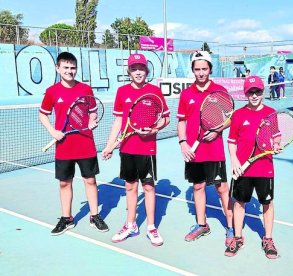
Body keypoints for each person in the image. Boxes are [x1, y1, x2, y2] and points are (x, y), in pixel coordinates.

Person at [101, 53, 170, 246]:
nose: (138, 72)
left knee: (148, 187)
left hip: (147, 149)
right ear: (129, 71)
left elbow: (166, 118)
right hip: (127, 148)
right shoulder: (122, 91)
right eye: (134, 69)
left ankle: (151, 227)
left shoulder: (155, 91)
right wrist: (109, 145)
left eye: (141, 68)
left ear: (146, 70)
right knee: (130, 187)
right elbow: (118, 121)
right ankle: (130, 224)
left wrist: (155, 129)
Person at [39, 52, 109, 235]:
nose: (70, 71)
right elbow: (42, 114)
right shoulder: (52, 92)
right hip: (64, 146)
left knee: (90, 180)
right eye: (66, 67)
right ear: (58, 68)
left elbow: (93, 111)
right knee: (64, 183)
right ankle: (66, 218)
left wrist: (92, 121)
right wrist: (53, 131)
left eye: (73, 67)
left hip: (85, 143)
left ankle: (95, 216)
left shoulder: (85, 89)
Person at [177, 50, 234, 246]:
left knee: (222, 189)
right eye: (197, 69)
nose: (201, 73)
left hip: (214, 150)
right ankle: (202, 225)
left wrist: (218, 131)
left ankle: (231, 228)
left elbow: (230, 117)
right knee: (198, 186)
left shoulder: (219, 92)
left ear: (210, 69)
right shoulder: (186, 94)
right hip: (194, 151)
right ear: (192, 70)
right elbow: (181, 122)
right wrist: (183, 143)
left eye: (204, 69)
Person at [225, 75, 281, 259]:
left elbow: (276, 137)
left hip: (264, 167)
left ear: (263, 92)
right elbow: (232, 141)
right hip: (242, 169)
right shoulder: (238, 115)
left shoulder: (271, 113)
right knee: (239, 203)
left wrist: (277, 145)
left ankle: (268, 239)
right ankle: (238, 237)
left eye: (257, 91)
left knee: (267, 203)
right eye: (251, 92)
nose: (254, 95)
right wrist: (234, 161)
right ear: (246, 94)